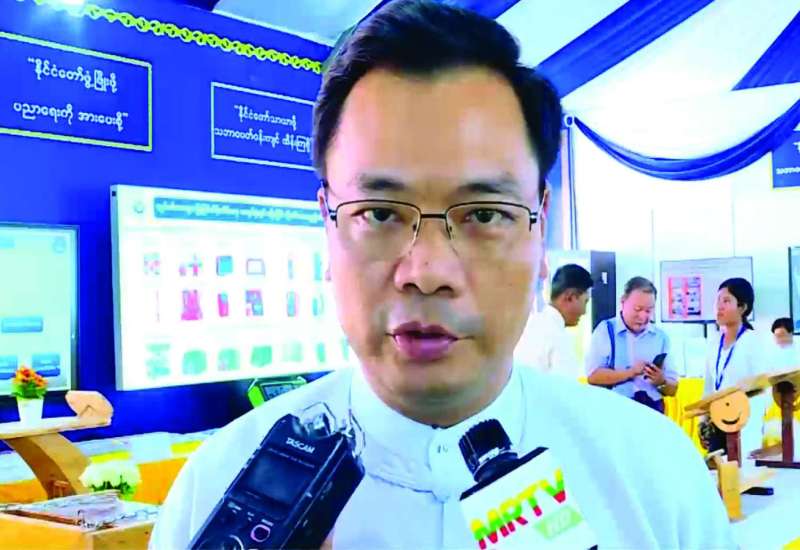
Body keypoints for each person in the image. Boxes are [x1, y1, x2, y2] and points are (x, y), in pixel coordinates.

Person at [150, 2, 734, 548]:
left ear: (540, 225)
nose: (427, 272)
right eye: (380, 213)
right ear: (327, 223)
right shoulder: (213, 487)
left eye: (484, 214)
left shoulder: (653, 474)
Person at [585, 276, 678, 413]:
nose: (643, 316)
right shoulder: (605, 331)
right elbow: (593, 376)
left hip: (651, 412)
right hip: (615, 411)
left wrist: (661, 381)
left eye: (648, 310)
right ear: (623, 302)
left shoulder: (661, 338)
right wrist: (630, 373)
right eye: (637, 309)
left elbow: (673, 389)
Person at [701, 278, 769, 456]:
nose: (719, 306)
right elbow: (709, 387)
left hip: (743, 425)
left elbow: (762, 388)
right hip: (717, 423)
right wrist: (703, 421)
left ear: (742, 307)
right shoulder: (713, 342)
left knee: (740, 469)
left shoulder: (753, 341)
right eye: (717, 300)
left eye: (726, 301)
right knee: (716, 470)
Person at [515, 263, 592, 378]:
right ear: (570, 297)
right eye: (585, 302)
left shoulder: (531, 326)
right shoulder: (558, 337)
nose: (584, 312)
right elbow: (565, 387)